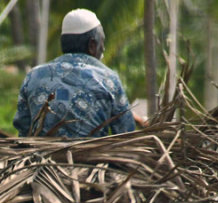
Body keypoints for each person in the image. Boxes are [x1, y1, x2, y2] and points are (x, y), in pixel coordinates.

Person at [13, 8, 137, 138]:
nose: (103, 48)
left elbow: (23, 128)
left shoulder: (33, 76)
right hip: (93, 157)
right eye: (102, 42)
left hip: (40, 157)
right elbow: (126, 132)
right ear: (92, 45)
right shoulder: (108, 79)